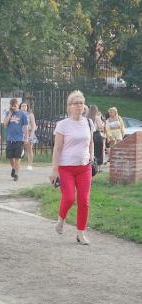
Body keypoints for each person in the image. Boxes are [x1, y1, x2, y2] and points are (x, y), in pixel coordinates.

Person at [50, 90, 94, 245]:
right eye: (76, 103)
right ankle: (61, 219)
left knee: (84, 201)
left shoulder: (89, 123)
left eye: (81, 103)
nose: (79, 106)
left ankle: (80, 233)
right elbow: (57, 148)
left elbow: (91, 142)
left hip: (84, 167)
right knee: (69, 198)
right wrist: (54, 169)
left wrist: (92, 157)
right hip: (66, 168)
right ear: (69, 106)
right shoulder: (63, 125)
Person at [3, 98, 28, 181]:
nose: (13, 107)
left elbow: (25, 127)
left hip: (19, 139)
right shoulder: (8, 113)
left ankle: (16, 174)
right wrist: (10, 113)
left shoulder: (22, 114)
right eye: (12, 106)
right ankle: (13, 168)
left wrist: (26, 138)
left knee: (17, 158)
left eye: (15, 106)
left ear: (18, 105)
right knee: (10, 157)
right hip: (10, 138)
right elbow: (5, 124)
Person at [19, 101, 37, 170]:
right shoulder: (18, 114)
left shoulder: (30, 115)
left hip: (29, 133)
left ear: (27, 107)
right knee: (19, 149)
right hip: (20, 133)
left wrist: (31, 135)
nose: (24, 107)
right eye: (22, 106)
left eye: (25, 106)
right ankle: (18, 164)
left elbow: (33, 126)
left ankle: (30, 165)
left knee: (29, 149)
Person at [87, 105, 105, 171]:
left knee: (91, 151)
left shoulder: (87, 117)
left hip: (89, 135)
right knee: (98, 152)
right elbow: (100, 127)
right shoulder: (97, 117)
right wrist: (103, 125)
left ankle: (91, 166)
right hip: (96, 135)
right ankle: (98, 168)